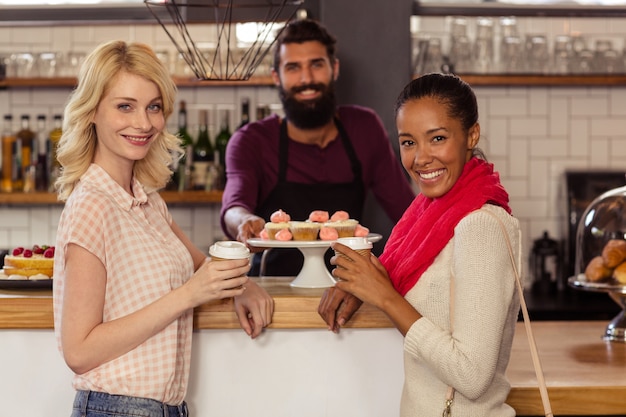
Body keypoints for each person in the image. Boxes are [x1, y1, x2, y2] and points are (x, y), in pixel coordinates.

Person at [52, 40, 274, 417]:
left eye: (153, 107)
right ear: (92, 111)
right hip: (116, 408)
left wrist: (243, 286)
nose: (143, 123)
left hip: (164, 409)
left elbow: (200, 265)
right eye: (125, 106)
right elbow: (79, 350)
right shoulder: (92, 204)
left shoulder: (147, 200)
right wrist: (189, 295)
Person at [319, 73, 522, 416]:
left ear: (471, 135)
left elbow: (472, 377)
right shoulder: (428, 217)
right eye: (408, 142)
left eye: (437, 138)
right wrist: (361, 284)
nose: (420, 158)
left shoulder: (480, 226)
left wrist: (383, 294)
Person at [220, 18, 415, 276]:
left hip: (348, 286)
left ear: (334, 69)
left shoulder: (364, 128)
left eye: (316, 64)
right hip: (273, 290)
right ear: (276, 77)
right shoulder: (252, 141)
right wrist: (244, 221)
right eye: (293, 67)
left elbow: (407, 212)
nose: (306, 79)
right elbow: (233, 207)